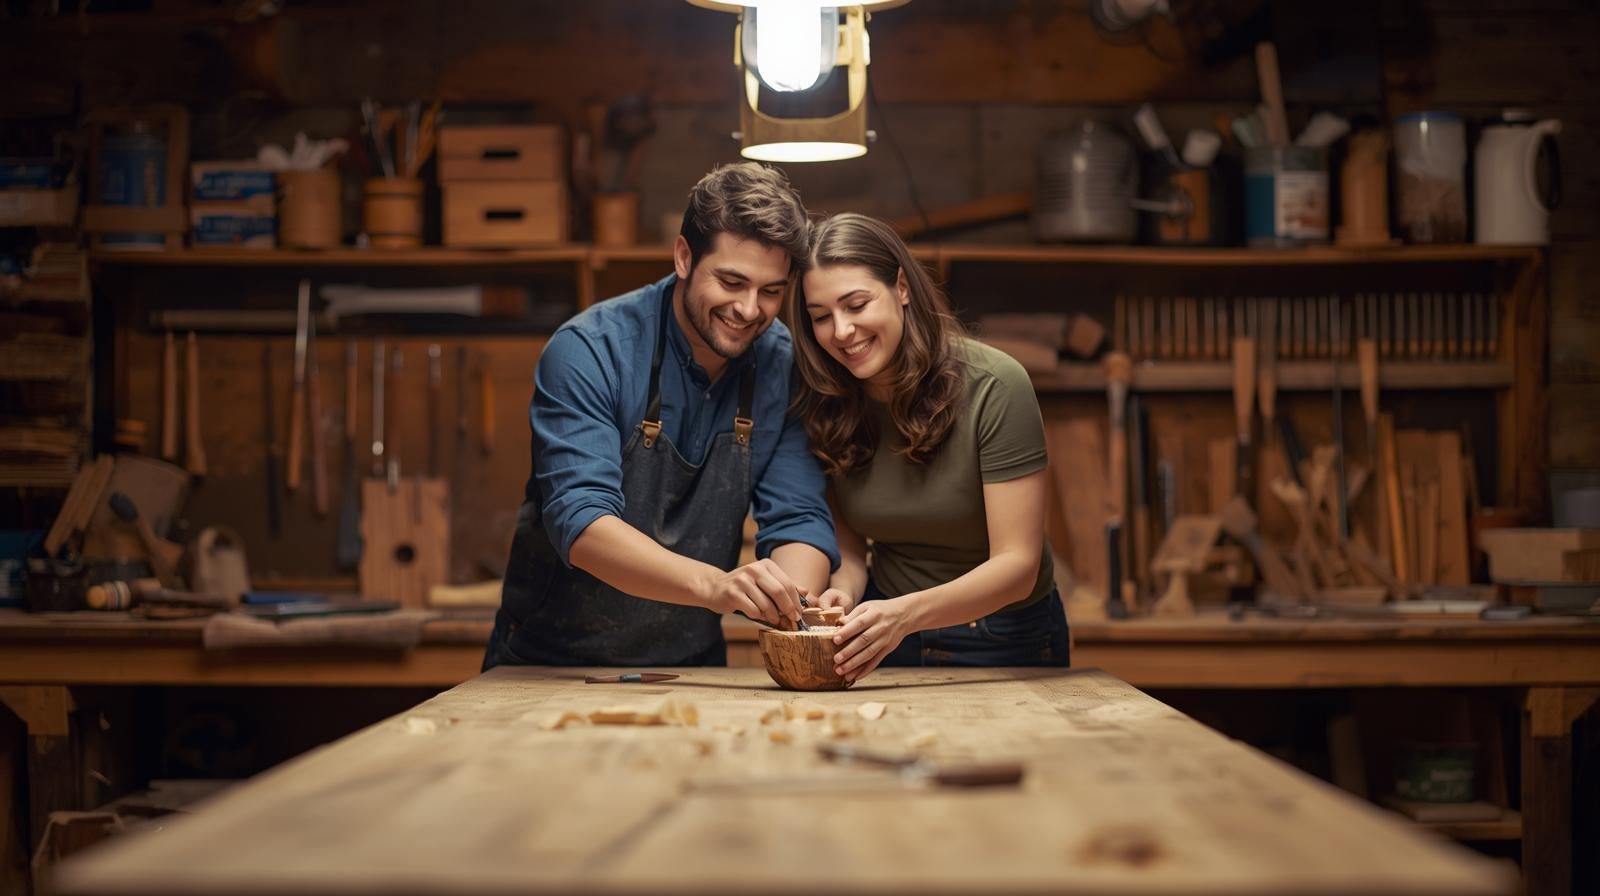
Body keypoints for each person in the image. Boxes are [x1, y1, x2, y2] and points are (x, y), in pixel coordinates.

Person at [483, 163, 838, 670]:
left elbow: (798, 516)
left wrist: (793, 600)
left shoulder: (783, 364)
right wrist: (716, 585)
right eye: (731, 281)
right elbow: (582, 522)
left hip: (690, 666)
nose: (749, 309)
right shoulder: (589, 351)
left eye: (771, 291)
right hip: (549, 665)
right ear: (684, 257)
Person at [785, 212, 1068, 683]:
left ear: (901, 287)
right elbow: (851, 546)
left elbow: (1018, 565)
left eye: (856, 304)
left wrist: (904, 615)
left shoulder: (996, 385)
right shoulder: (827, 397)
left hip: (1004, 637)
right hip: (883, 637)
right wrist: (845, 594)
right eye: (821, 317)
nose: (841, 331)